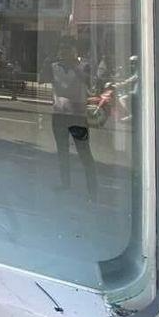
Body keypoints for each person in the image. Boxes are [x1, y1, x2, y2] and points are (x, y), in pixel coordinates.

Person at [45, 37, 98, 197]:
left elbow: (90, 83)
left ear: (75, 51)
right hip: (59, 115)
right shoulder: (54, 66)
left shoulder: (84, 66)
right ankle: (65, 183)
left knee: (84, 153)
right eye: (62, 48)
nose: (64, 51)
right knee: (62, 151)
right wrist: (49, 59)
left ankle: (92, 191)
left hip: (77, 117)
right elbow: (42, 77)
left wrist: (74, 66)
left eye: (68, 48)